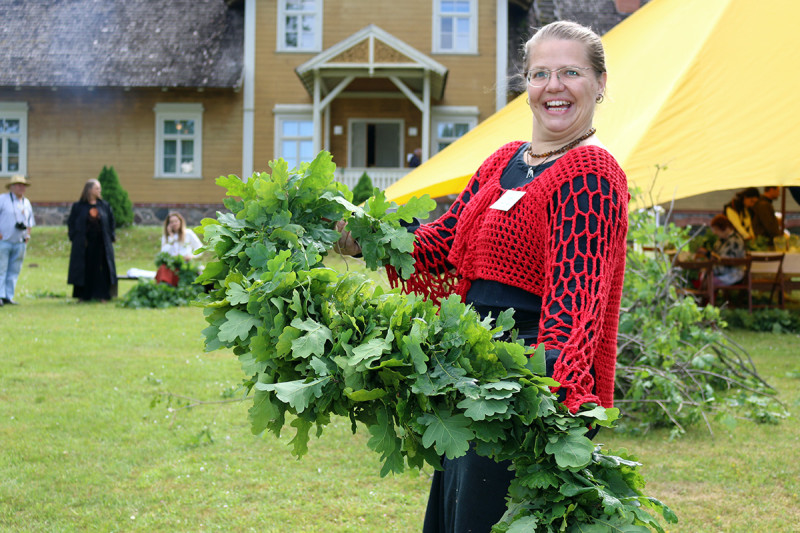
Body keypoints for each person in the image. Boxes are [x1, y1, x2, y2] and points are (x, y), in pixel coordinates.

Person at [336, 20, 628, 532]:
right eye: (540, 73)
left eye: (570, 72)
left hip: (521, 386)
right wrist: (368, 234)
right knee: (458, 513)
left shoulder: (592, 173)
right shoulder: (504, 161)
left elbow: (575, 305)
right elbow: (445, 240)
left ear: (600, 84)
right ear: (525, 84)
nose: (553, 86)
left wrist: (548, 402)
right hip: (468, 371)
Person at [67, 179, 117, 301]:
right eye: (97, 188)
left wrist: (111, 236)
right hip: (84, 244)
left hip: (101, 244)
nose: (99, 191)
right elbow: (71, 223)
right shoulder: (79, 207)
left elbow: (111, 222)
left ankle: (102, 295)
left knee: (101, 269)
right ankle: (84, 295)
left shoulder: (104, 206)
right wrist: (74, 236)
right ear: (89, 190)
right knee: (85, 268)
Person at [0, 175, 35, 306]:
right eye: (19, 185)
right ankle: (0, 295)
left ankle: (8, 296)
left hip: (20, 242)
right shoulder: (3, 200)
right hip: (4, 241)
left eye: (23, 185)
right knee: (1, 269)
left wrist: (28, 235)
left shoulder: (26, 203)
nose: (22, 188)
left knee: (14, 270)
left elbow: (30, 221)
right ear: (12, 187)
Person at [706, 214, 747, 287]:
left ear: (725, 228)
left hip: (732, 275)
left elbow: (726, 265)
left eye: (716, 229)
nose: (714, 232)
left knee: (705, 280)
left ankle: (706, 297)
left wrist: (709, 268)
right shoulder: (722, 240)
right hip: (724, 273)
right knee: (702, 278)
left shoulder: (734, 241)